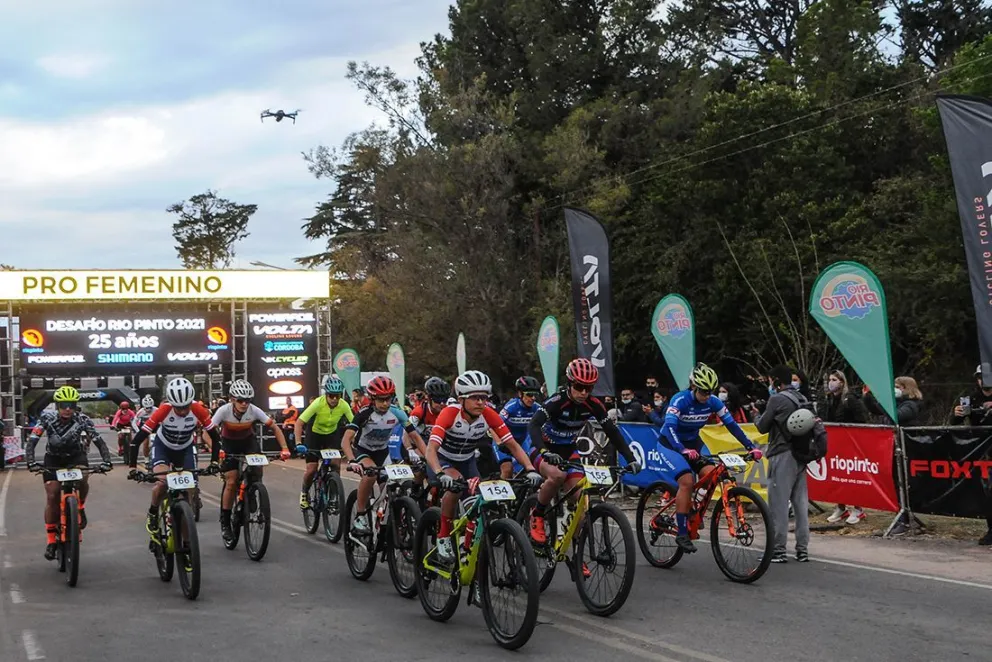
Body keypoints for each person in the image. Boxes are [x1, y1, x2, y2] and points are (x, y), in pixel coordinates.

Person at [426, 370, 541, 565]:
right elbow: (430, 449)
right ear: (461, 399)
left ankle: (467, 547)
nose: (481, 402)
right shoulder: (449, 413)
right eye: (475, 398)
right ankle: (443, 537)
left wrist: (530, 468)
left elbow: (512, 445)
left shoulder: (488, 414)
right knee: (456, 486)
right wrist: (439, 472)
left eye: (484, 397)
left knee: (476, 506)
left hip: (468, 461)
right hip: (442, 459)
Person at [527, 358, 642, 545]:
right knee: (557, 476)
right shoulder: (556, 402)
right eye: (579, 387)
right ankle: (537, 513)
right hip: (543, 448)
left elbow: (612, 432)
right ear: (570, 383)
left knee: (582, 500)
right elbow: (534, 425)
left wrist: (630, 458)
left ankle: (577, 553)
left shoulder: (593, 404)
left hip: (568, 451)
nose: (583, 393)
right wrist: (543, 451)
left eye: (588, 388)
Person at [654, 363, 762, 553]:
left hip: (693, 444)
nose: (706, 396)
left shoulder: (713, 401)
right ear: (694, 386)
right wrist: (682, 449)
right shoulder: (680, 400)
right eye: (703, 391)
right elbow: (669, 426)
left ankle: (693, 506)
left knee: (712, 474)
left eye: (709, 392)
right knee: (687, 481)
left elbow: (733, 426)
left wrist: (750, 447)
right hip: (670, 444)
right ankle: (681, 532)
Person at [128, 378, 222, 541]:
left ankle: (186, 541)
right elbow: (137, 440)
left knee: (190, 487)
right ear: (171, 403)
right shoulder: (163, 410)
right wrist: (132, 467)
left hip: (184, 448)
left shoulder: (198, 409)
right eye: (179, 408)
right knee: (163, 482)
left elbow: (215, 437)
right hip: (163, 447)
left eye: (186, 406)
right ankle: (152, 512)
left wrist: (214, 462)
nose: (184, 411)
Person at [26, 386, 113, 560]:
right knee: (52, 495)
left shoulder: (83, 419)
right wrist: (30, 461)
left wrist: (107, 460)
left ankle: (80, 507)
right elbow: (32, 441)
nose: (68, 409)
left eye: (71, 405)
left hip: (76, 457)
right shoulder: (47, 418)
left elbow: (99, 441)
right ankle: (51, 540)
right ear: (58, 405)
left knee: (84, 477)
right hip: (53, 459)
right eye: (64, 404)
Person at [342, 376, 424, 535]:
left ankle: (387, 518)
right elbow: (346, 440)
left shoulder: (397, 413)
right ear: (372, 399)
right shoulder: (364, 414)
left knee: (392, 485)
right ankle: (360, 515)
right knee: (371, 473)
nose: (385, 403)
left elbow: (416, 437)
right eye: (380, 400)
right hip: (363, 450)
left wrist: (427, 457)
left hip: (383, 452)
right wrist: (352, 460)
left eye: (388, 399)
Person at [212, 380, 290, 541]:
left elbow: (275, 428)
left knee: (257, 467)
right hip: (228, 444)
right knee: (232, 481)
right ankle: (225, 522)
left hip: (248, 442)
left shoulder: (254, 411)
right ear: (232, 399)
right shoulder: (223, 411)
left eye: (247, 400)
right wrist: (216, 448)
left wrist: (284, 448)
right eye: (240, 400)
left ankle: (254, 489)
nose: (244, 404)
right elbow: (208, 430)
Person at [757, 365, 811, 563]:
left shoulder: (777, 398)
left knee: (778, 505)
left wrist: (757, 414)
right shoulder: (802, 398)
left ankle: (778, 549)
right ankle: (802, 549)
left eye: (771, 381)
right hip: (801, 454)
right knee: (800, 503)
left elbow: (762, 426)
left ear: (776, 381)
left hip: (781, 453)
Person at [295, 377, 355, 508]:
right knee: (311, 469)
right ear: (326, 394)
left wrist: (356, 441)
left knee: (335, 463)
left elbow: (354, 424)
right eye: (331, 396)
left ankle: (334, 493)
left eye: (337, 396)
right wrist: (299, 443)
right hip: (314, 435)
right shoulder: (317, 403)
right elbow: (299, 423)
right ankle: (304, 492)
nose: (334, 399)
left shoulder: (343, 405)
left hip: (331, 435)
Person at [821, 371, 870, 525]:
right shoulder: (829, 399)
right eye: (829, 379)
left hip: (851, 445)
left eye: (834, 379)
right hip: (835, 445)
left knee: (852, 477)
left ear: (842, 382)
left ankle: (858, 509)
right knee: (836, 476)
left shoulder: (851, 399)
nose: (831, 382)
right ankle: (840, 507)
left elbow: (863, 420)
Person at [493, 376, 542, 479]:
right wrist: (499, 442)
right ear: (520, 394)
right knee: (507, 469)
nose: (533, 398)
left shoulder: (537, 408)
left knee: (532, 467)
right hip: (504, 441)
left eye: (535, 395)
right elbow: (494, 426)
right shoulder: (511, 407)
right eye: (529, 395)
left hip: (522, 441)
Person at [133, 395, 157, 463]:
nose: (148, 410)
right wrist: (138, 431)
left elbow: (163, 419)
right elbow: (134, 422)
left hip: (154, 427)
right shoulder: (140, 412)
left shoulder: (156, 410)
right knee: (145, 442)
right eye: (147, 408)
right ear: (143, 407)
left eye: (150, 408)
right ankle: (146, 458)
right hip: (144, 427)